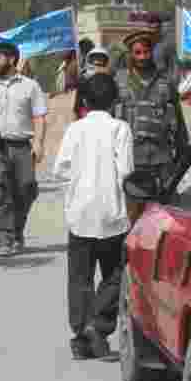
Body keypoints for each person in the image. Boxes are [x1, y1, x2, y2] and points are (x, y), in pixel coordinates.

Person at [53, 74, 134, 360]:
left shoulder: (75, 129)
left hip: (80, 215)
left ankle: (81, 333)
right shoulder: (120, 129)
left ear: (85, 101)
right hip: (113, 215)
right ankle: (98, 325)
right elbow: (126, 171)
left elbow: (60, 169)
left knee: (79, 278)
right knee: (115, 274)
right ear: (114, 101)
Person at [0, 41, 48, 257]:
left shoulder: (30, 86)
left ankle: (16, 232)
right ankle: (3, 238)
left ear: (12, 59)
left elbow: (39, 117)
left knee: (25, 189)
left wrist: (39, 143)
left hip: (22, 146)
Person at [114, 29, 188, 221]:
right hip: (130, 157)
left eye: (146, 52)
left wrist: (183, 153)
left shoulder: (166, 82)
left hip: (161, 158)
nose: (142, 57)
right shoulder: (119, 81)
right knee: (132, 213)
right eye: (137, 53)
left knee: (160, 214)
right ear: (130, 54)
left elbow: (178, 121)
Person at [73, 46, 112, 119]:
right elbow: (78, 104)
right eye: (95, 60)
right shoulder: (83, 79)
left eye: (101, 62)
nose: (98, 63)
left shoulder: (110, 80)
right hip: (87, 117)